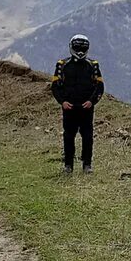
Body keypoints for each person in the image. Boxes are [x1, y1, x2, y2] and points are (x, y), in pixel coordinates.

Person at [51, 33, 104, 174]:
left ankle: (87, 165)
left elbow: (100, 87)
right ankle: (68, 165)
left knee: (87, 137)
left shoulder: (93, 65)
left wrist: (92, 102)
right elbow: (55, 86)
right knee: (69, 136)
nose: (80, 51)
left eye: (83, 48)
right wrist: (62, 102)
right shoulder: (62, 64)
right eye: (77, 47)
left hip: (86, 108)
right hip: (69, 107)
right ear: (71, 47)